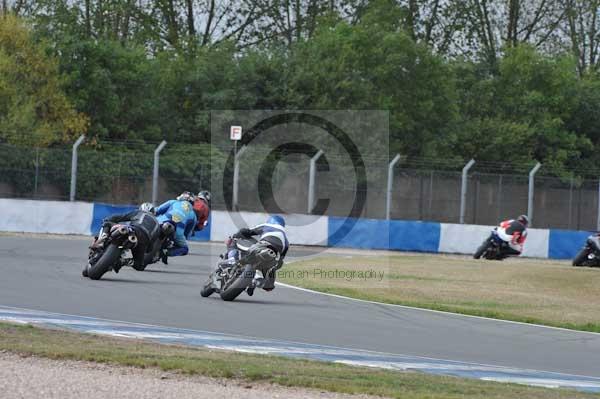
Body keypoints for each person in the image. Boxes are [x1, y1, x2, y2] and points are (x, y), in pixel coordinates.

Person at [227, 215, 289, 295]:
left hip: (261, 247)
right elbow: (280, 262)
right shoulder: (286, 241)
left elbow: (247, 231)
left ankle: (231, 261)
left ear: (271, 221)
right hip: (273, 258)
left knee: (234, 241)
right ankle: (255, 281)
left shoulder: (268, 226)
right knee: (269, 286)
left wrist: (235, 235)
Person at [90, 202, 160, 273]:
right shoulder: (157, 225)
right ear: (153, 212)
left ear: (141, 209)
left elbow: (121, 217)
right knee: (139, 266)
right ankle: (122, 261)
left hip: (132, 230)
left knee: (107, 223)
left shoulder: (139, 212)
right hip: (142, 242)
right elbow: (150, 248)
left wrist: (109, 219)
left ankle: (102, 240)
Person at [155, 191, 198, 264]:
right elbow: (187, 233)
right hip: (178, 231)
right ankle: (165, 252)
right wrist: (181, 238)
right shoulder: (193, 215)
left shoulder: (173, 202)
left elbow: (157, 210)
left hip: (160, 222)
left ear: (180, 197)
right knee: (184, 249)